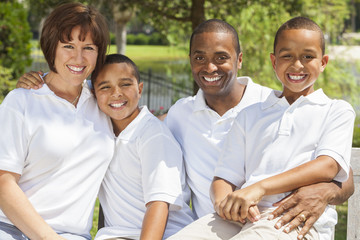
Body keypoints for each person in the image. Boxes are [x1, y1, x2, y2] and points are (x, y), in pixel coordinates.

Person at [17, 19, 354, 238]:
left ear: (239, 60)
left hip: (276, 221)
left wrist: (329, 191)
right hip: (217, 224)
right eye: (199, 58)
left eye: (221, 57)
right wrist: (45, 82)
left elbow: (340, 171)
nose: (209, 67)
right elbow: (125, 112)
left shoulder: (267, 103)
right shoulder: (180, 113)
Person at [164, 18, 354, 238]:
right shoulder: (249, 115)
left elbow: (332, 167)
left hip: (289, 216)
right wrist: (227, 203)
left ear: (323, 62)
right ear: (274, 62)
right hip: (236, 217)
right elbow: (224, 178)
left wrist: (260, 188)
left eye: (308, 56)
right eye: (287, 56)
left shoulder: (334, 110)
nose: (297, 65)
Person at [0, 3, 114, 240]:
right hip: (11, 230)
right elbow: (3, 183)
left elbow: (146, 123)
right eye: (68, 46)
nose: (78, 57)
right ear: (51, 47)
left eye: (89, 47)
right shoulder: (22, 101)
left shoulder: (104, 101)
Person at [90, 54, 194, 240]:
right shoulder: (101, 130)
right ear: (94, 94)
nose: (116, 93)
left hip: (165, 235)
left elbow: (158, 204)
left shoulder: (152, 135)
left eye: (125, 84)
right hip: (118, 235)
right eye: (105, 87)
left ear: (140, 89)